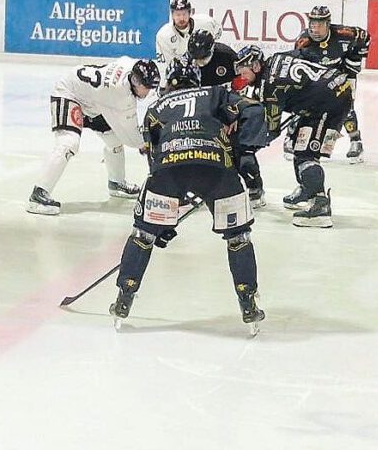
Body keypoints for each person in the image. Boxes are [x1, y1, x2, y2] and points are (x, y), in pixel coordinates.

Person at [110, 60, 268, 333]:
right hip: (217, 169)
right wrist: (242, 152)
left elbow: (154, 159)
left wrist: (163, 219)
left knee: (143, 235)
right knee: (238, 237)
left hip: (170, 172)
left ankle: (124, 297)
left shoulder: (155, 109)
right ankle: (248, 302)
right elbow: (253, 110)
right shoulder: (215, 94)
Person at [234, 45, 355, 228]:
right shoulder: (275, 58)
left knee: (305, 153)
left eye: (243, 71)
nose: (241, 76)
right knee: (296, 141)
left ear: (256, 66)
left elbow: (271, 129)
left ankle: (319, 204)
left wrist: (247, 145)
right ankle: (307, 189)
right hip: (333, 88)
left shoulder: (270, 85)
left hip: (330, 102)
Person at [26, 58, 160, 216]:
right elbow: (131, 138)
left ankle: (116, 183)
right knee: (68, 143)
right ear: (135, 81)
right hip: (70, 94)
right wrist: (149, 143)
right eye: (146, 87)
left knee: (114, 140)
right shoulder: (120, 97)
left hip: (94, 100)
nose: (148, 92)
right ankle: (38, 195)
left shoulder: (129, 65)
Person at [291, 6, 370, 163]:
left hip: (341, 75)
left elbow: (365, 37)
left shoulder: (344, 33)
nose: (315, 29)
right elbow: (297, 64)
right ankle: (294, 137)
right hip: (318, 79)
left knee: (346, 108)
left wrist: (354, 60)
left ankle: (356, 141)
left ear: (328, 24)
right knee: (305, 108)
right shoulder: (303, 41)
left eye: (319, 25)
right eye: (313, 24)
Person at [155, 0, 222, 87]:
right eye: (178, 15)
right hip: (184, 75)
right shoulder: (164, 35)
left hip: (208, 66)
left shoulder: (206, 22)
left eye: (184, 14)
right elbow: (167, 66)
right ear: (172, 15)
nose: (181, 18)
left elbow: (218, 33)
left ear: (190, 13)